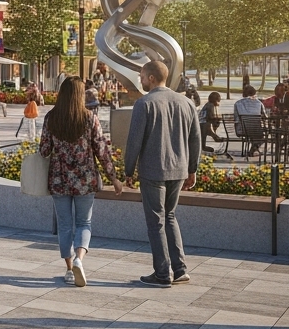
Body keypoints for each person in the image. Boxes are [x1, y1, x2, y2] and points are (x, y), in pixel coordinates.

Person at [40, 76, 122, 287]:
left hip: (59, 180)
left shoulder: (51, 118)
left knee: (65, 225)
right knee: (84, 222)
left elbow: (44, 150)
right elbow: (101, 150)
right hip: (85, 179)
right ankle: (79, 259)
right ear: (80, 95)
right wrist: (114, 178)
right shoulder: (89, 118)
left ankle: (68, 269)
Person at [124, 60, 200, 287]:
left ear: (151, 78)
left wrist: (129, 170)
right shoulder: (186, 103)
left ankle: (162, 273)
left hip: (153, 169)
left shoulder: (144, 103)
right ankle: (180, 269)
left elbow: (134, 141)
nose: (140, 80)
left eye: (142, 76)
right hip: (178, 169)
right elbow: (195, 138)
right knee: (170, 217)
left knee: (156, 221)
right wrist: (192, 169)